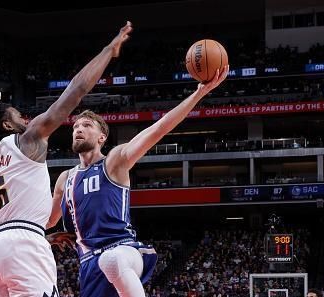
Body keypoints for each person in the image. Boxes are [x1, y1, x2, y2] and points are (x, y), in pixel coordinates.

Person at [0, 21, 133, 297]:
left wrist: (33, 237)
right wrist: (109, 50)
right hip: (22, 245)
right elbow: (75, 91)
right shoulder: (27, 140)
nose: (23, 119)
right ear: (6, 125)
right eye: (17, 116)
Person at [47, 65, 229, 297]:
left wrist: (199, 93)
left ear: (102, 137)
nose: (78, 129)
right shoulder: (65, 179)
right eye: (75, 126)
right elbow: (48, 220)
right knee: (105, 264)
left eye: (86, 125)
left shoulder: (114, 160)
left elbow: (158, 129)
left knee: (112, 260)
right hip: (88, 264)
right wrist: (46, 237)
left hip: (123, 250)